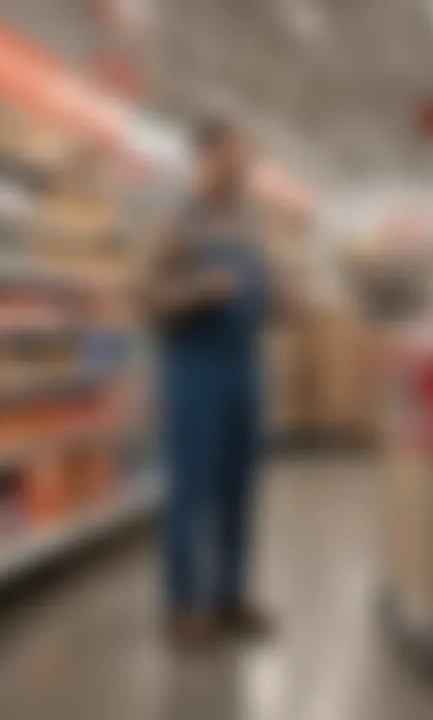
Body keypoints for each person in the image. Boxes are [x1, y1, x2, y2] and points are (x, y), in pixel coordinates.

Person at [143, 118, 274, 652]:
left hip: (245, 366)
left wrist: (285, 301)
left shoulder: (248, 224)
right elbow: (148, 297)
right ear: (207, 158)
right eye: (234, 157)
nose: (243, 168)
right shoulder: (176, 222)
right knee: (191, 493)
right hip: (194, 368)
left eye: (247, 158)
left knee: (240, 491)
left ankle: (230, 596)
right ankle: (183, 607)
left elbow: (265, 288)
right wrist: (198, 291)